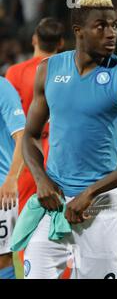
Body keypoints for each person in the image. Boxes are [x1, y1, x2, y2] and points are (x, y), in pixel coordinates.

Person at [21, 0, 117, 279]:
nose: (111, 32)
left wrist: (90, 192)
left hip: (100, 209)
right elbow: (29, 136)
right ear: (79, 32)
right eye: (101, 26)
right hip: (54, 205)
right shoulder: (49, 70)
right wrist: (42, 181)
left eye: (113, 25)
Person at [5, 17, 65, 214]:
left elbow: (9, 120)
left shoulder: (15, 73)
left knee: (23, 224)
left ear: (34, 40)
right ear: (61, 43)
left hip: (29, 155)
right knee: (60, 221)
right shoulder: (71, 72)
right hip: (62, 156)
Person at [0, 78, 25, 279]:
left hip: (1, 189)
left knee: (2, 258)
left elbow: (22, 136)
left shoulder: (2, 87)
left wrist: (11, 178)